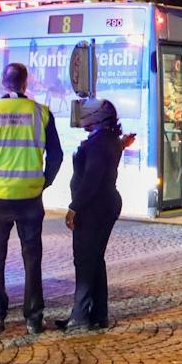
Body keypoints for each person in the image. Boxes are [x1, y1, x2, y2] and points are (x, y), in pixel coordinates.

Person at [0, 62, 63, 333]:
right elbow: (56, 156)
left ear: (4, 82)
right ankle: (33, 318)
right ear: (25, 84)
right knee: (32, 256)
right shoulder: (41, 113)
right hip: (29, 197)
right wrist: (43, 182)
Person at [58, 99, 135, 332]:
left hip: (94, 208)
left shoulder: (99, 144)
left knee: (84, 262)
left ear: (97, 117)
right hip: (104, 205)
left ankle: (80, 317)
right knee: (95, 260)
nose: (83, 119)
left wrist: (74, 207)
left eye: (87, 115)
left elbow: (91, 180)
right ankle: (98, 314)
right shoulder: (107, 140)